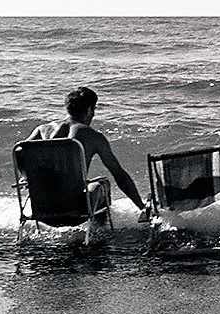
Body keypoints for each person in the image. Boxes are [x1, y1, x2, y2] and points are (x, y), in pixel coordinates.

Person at [26, 87, 148, 220]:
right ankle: (99, 229)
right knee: (103, 184)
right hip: (76, 210)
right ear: (90, 110)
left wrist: (26, 176)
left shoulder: (42, 130)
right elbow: (120, 176)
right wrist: (141, 206)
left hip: (42, 209)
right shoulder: (93, 136)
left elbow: (19, 151)